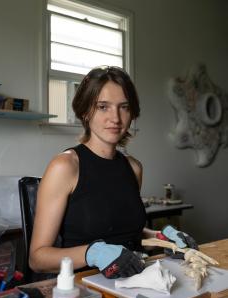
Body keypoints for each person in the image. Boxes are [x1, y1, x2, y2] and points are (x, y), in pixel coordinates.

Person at [29, 66, 197, 279]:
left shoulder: (134, 168)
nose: (115, 118)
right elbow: (37, 259)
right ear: (85, 111)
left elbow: (126, 234)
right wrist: (92, 253)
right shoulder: (65, 166)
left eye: (124, 107)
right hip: (82, 287)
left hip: (131, 281)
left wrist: (162, 237)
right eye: (103, 107)